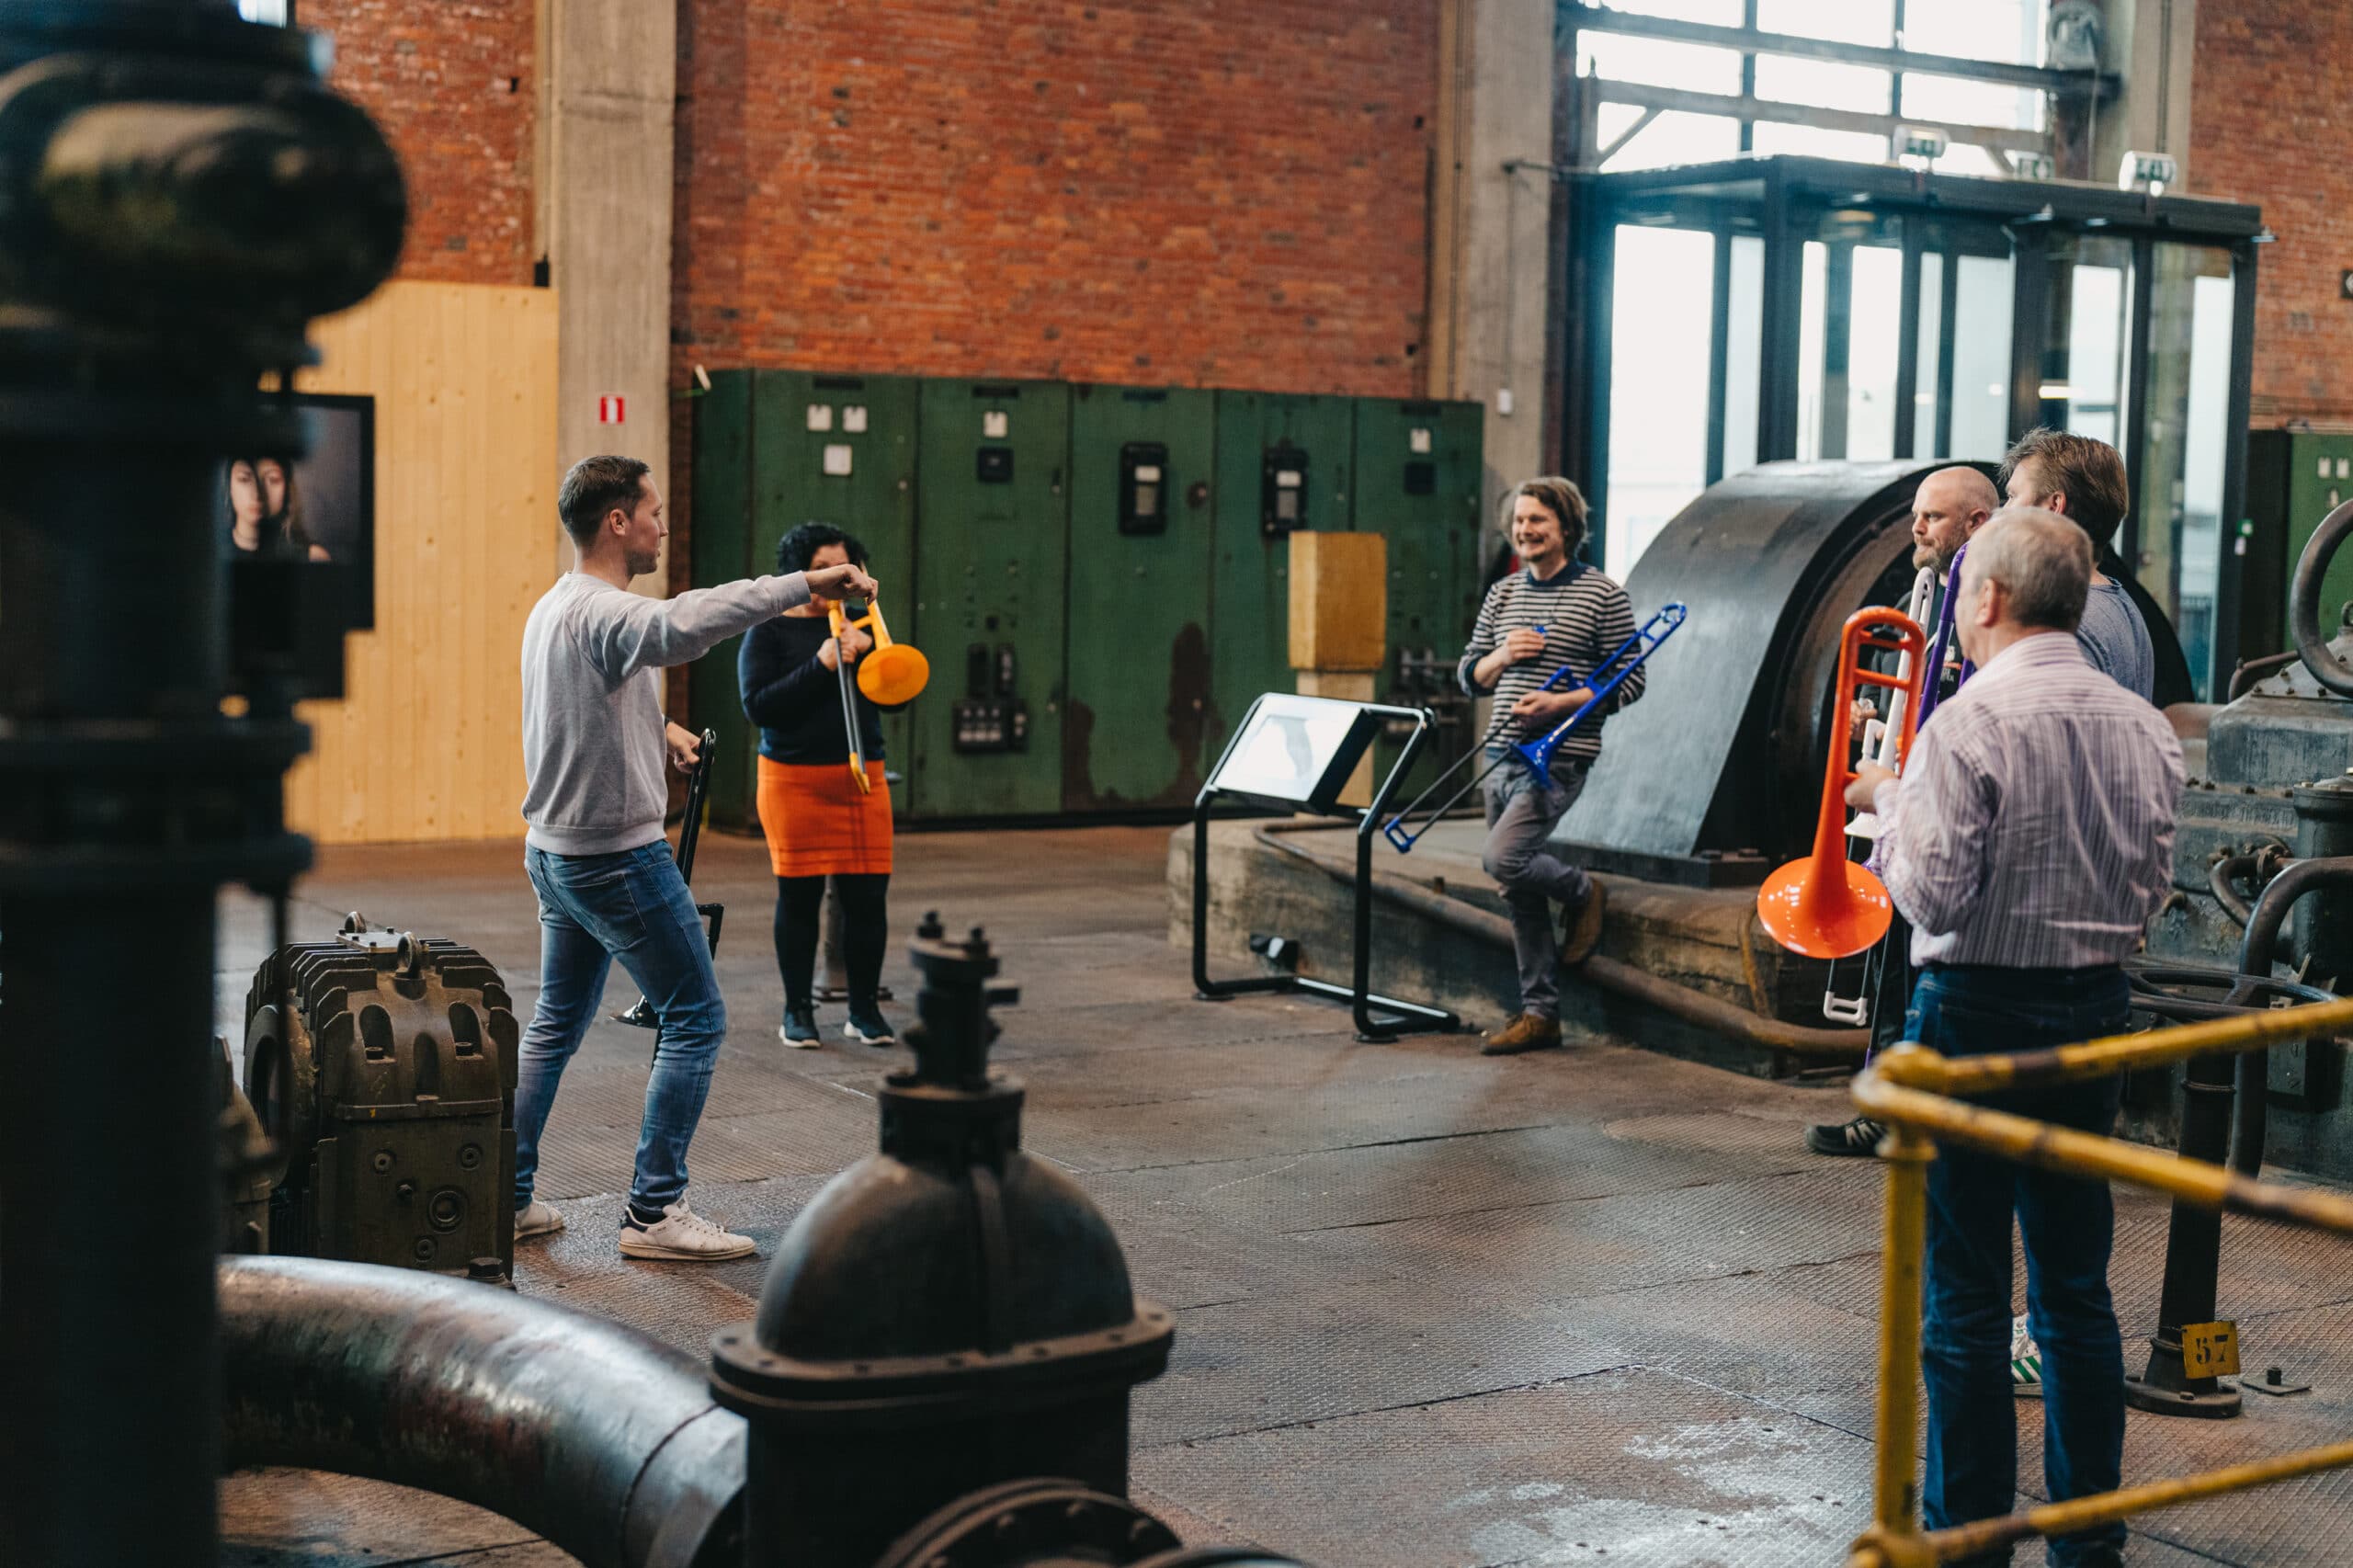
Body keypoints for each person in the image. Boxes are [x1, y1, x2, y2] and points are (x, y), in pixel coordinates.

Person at [1847, 508, 2183, 1568]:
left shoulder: (1966, 723)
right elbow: (2150, 887)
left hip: (1974, 1019)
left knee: (1963, 1293)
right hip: (2094, 1017)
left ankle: (1968, 1538)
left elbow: (1932, 893)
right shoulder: (2143, 725)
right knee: (2074, 1290)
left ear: (1984, 597)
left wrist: (1887, 806)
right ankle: (2088, 1543)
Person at [510, 455, 875, 1261]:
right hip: (616, 860)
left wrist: (659, 730)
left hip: (555, 855)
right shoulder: (607, 611)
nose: (663, 527)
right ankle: (654, 1213)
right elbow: (683, 624)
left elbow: (581, 708)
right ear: (617, 522)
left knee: (554, 1025)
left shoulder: (555, 606)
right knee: (696, 1019)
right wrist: (805, 585)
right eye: (654, 513)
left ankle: (506, 1197)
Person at [1810, 465, 1999, 1160]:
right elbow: (1902, 691)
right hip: (1900, 802)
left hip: (1935, 812)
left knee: (1914, 974)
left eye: (1933, 517)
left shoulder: (1981, 603)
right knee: (1890, 967)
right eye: (1917, 514)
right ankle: (1887, 1099)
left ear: (1977, 524)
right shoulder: (1920, 597)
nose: (1916, 528)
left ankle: (1899, 1109)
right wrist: (1872, 718)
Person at [1456, 477, 1645, 1057]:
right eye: (1519, 520)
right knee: (1515, 889)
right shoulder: (1504, 593)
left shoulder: (1602, 594)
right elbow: (1468, 676)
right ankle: (1541, 1014)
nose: (1525, 530)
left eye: (1537, 520)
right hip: (1500, 753)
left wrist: (1561, 704)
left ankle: (1582, 891)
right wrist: (1501, 656)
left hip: (1559, 756)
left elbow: (1630, 681)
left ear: (1566, 526)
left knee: (1503, 859)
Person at [739, 523, 901, 1050]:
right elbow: (760, 706)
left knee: (868, 899)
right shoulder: (769, 630)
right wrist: (821, 664)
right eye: (823, 568)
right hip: (794, 781)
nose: (835, 578)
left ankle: (864, 1010)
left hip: (861, 778)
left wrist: (870, 653)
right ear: (802, 573)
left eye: (843, 568)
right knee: (799, 898)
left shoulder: (861, 625)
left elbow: (898, 697)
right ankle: (797, 1010)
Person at [2000, 429, 2154, 699]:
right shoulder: (2123, 606)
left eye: (2013, 496)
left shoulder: (2065, 625)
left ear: (2053, 506)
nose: (2003, 511)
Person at [224, 457, 328, 561]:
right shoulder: (215, 552)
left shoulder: (312, 557)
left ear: (287, 488)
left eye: (273, 480)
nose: (257, 494)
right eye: (244, 479)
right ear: (230, 486)